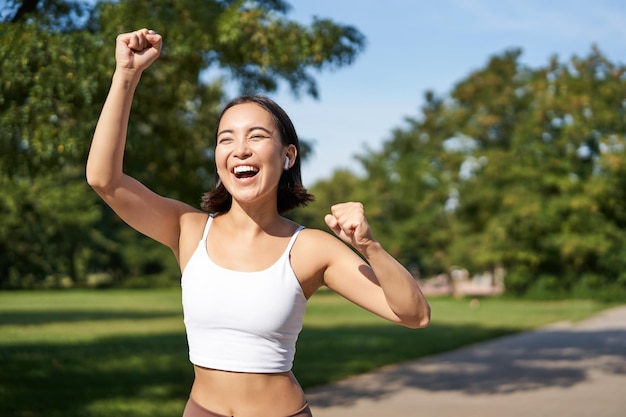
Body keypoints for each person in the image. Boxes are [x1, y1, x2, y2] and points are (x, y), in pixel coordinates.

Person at [86, 28, 430, 417]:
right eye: (226, 139)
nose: (240, 149)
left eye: (257, 135)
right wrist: (126, 76)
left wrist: (369, 246)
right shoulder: (188, 230)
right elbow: (104, 179)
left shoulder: (310, 248)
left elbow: (413, 314)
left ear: (287, 155)